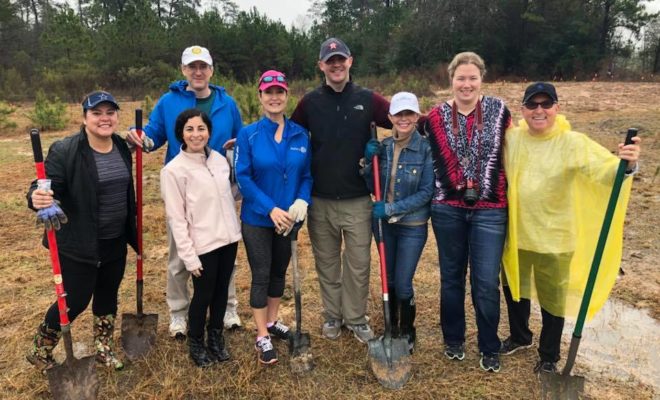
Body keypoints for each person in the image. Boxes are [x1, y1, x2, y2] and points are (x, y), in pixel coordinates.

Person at [501, 82, 641, 373]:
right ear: (523, 109)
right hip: (516, 235)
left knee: (553, 300)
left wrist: (625, 165)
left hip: (555, 240)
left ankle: (549, 356)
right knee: (515, 289)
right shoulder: (511, 140)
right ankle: (519, 336)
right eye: (532, 105)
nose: (539, 111)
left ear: (557, 108)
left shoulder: (572, 142)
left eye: (546, 104)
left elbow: (605, 172)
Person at [126, 45, 244, 338]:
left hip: (219, 187)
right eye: (192, 67)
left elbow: (240, 140)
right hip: (184, 188)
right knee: (180, 254)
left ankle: (227, 306)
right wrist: (141, 136)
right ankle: (178, 312)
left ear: (212, 70)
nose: (198, 72)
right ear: (183, 70)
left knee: (224, 250)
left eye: (203, 66)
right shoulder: (169, 102)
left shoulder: (227, 103)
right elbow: (153, 134)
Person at [26, 91, 137, 372]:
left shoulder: (122, 147)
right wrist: (37, 198)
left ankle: (103, 347)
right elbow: (43, 187)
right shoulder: (66, 150)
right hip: (79, 242)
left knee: (108, 294)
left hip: (115, 238)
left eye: (110, 113)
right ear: (84, 117)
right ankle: (41, 348)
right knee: (74, 300)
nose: (104, 118)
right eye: (96, 113)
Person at [290, 37, 392, 343]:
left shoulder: (368, 99)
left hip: (358, 200)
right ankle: (333, 316)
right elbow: (287, 132)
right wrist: (244, 139)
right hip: (320, 200)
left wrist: (439, 121)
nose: (336, 65)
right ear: (321, 65)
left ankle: (356, 318)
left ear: (350, 61)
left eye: (341, 59)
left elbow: (403, 120)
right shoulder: (310, 102)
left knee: (358, 264)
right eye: (329, 60)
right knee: (328, 264)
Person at [424, 52, 510, 372]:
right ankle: (454, 340)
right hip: (447, 208)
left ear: (482, 79)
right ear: (451, 80)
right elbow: (412, 143)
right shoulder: (434, 117)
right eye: (461, 78)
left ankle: (489, 346)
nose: (467, 84)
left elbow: (519, 148)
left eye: (473, 77)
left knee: (486, 281)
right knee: (451, 278)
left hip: (490, 208)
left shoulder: (499, 111)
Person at [235, 70, 312, 364]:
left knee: (280, 272)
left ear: (287, 95)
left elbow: (306, 175)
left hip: (289, 219)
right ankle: (261, 334)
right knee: (262, 274)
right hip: (258, 218)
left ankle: (272, 320)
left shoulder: (300, 134)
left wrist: (302, 199)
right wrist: (270, 207)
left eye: (280, 92)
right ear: (260, 97)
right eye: (269, 92)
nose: (275, 97)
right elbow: (243, 178)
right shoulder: (249, 134)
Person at [160, 109, 241, 367]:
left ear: (209, 131)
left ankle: (215, 338)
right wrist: (189, 256)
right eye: (190, 129)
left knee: (220, 292)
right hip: (202, 244)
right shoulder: (174, 171)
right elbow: (177, 219)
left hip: (228, 239)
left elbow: (231, 193)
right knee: (203, 295)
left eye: (201, 128)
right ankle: (196, 342)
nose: (196, 134)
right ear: (180, 134)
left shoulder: (219, 160)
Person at [362, 92, 434, 354]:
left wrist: (391, 207)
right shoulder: (384, 147)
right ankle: (391, 329)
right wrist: (368, 163)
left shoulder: (425, 148)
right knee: (388, 279)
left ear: (416, 117)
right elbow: (371, 185)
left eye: (409, 114)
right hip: (384, 224)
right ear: (390, 117)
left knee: (403, 282)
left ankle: (407, 330)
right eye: (398, 114)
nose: (403, 119)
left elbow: (426, 192)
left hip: (412, 225)